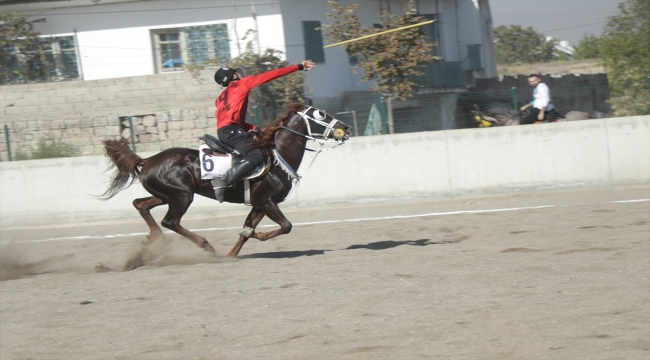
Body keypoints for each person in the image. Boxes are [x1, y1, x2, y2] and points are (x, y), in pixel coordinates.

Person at [211, 60, 316, 202]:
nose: (239, 74)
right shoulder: (242, 84)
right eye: (235, 73)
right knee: (256, 155)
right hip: (231, 131)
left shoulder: (220, 98)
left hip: (227, 131)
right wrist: (299, 66)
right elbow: (272, 74)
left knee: (262, 147)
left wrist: (257, 129)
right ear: (233, 77)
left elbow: (234, 121)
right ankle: (223, 181)